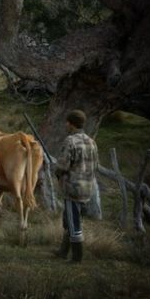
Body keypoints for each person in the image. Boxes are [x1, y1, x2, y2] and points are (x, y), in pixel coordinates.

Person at [54, 109, 99, 263]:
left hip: (73, 189)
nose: (66, 124)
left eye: (67, 122)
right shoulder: (91, 141)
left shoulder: (70, 141)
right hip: (87, 188)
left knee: (74, 223)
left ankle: (77, 257)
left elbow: (63, 165)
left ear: (71, 123)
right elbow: (95, 165)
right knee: (70, 220)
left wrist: (57, 173)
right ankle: (62, 251)